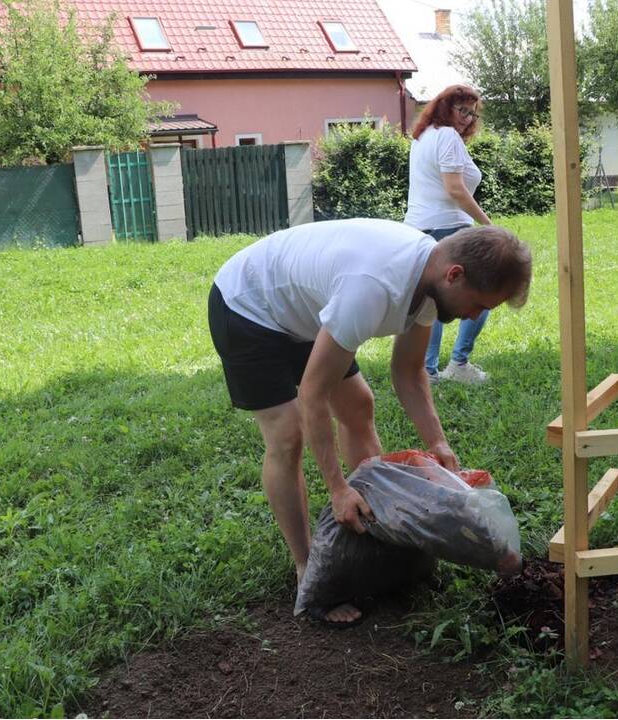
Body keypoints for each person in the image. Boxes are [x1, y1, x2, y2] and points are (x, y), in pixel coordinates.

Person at [207, 218, 531, 626]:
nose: (473, 317)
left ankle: (377, 538)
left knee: (358, 405)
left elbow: (409, 373)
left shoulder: (431, 280)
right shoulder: (372, 288)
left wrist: (438, 442)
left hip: (301, 309)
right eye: (480, 305)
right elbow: (313, 395)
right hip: (248, 306)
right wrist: (337, 488)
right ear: (455, 275)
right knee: (288, 434)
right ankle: (308, 567)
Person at [404, 84, 493, 385]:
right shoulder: (447, 136)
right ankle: (459, 363)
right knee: (485, 291)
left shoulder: (422, 137)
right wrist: (487, 224)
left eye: (472, 114)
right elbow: (454, 188)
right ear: (445, 106)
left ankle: (427, 371)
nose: (467, 119)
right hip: (449, 225)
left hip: (418, 228)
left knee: (431, 301)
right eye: (462, 110)